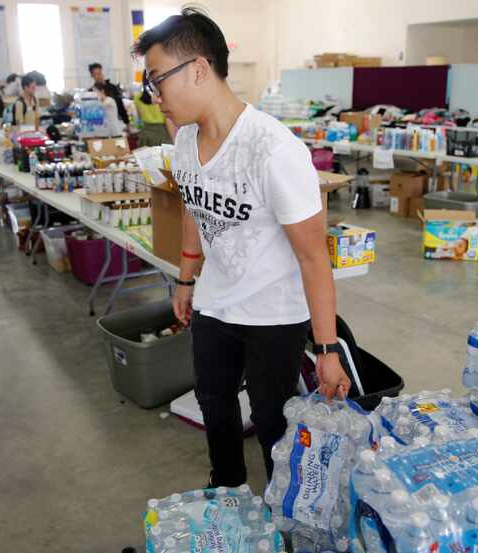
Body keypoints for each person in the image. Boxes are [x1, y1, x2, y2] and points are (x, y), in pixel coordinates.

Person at [133, 8, 350, 488]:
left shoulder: (274, 150)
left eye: (156, 81)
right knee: (214, 401)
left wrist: (327, 349)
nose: (154, 97)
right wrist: (187, 278)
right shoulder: (186, 140)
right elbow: (192, 204)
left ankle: (278, 509)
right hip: (215, 301)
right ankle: (227, 489)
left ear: (198, 69)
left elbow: (315, 258)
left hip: (274, 313)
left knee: (272, 419)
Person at [134, 74, 171, 146]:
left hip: (145, 132)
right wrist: (173, 139)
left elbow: (139, 117)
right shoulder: (160, 97)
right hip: (160, 133)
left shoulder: (137, 97)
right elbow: (168, 120)